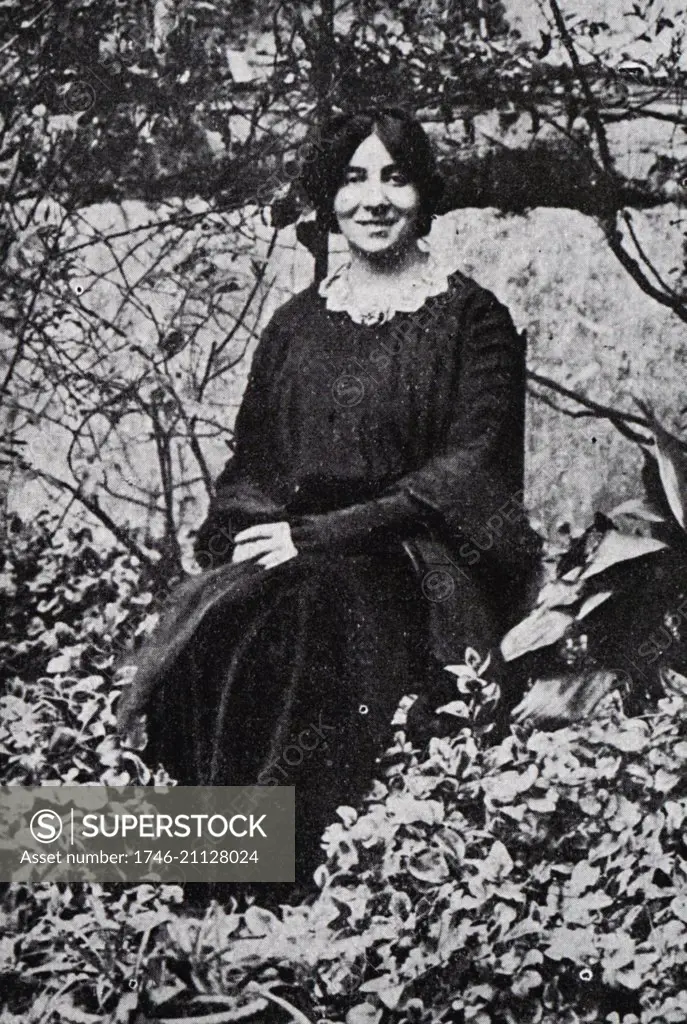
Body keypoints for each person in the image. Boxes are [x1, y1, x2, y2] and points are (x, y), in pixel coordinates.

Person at [116, 106, 541, 896]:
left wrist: (324, 535)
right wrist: (254, 527)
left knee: (310, 614)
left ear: (425, 193)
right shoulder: (297, 323)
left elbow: (469, 469)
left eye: (394, 177)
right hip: (294, 549)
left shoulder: (470, 320)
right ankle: (177, 857)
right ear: (326, 196)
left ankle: (260, 881)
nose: (372, 199)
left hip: (418, 557)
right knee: (218, 629)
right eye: (351, 180)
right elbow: (253, 459)